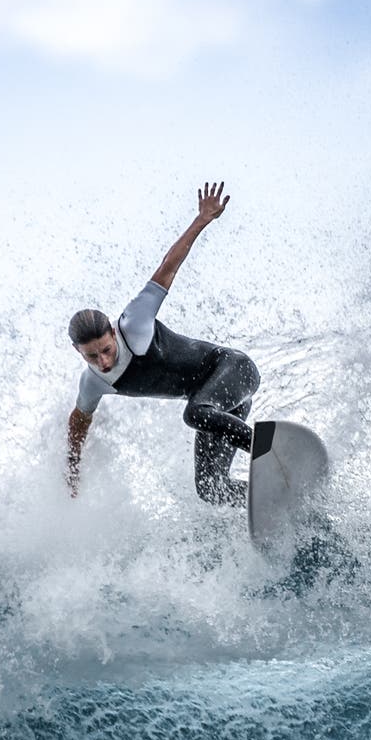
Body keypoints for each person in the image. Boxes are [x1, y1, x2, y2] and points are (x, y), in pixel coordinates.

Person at [66, 181, 259, 505]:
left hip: (234, 370)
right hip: (220, 409)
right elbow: (78, 422)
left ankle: (273, 452)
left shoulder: (135, 322)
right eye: (92, 356)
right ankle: (270, 496)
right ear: (78, 352)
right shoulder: (93, 383)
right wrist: (72, 470)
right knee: (210, 489)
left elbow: (168, 267)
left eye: (106, 350)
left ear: (113, 333)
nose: (102, 361)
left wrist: (202, 219)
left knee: (194, 413)